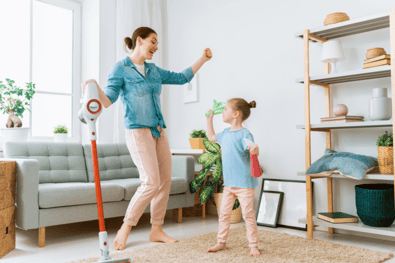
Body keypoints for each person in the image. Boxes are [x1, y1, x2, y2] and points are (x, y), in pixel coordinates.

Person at [81, 26, 212, 250]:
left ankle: (156, 229)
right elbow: (107, 100)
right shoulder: (120, 69)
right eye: (153, 41)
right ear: (139, 41)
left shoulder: (153, 70)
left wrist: (202, 59)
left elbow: (181, 78)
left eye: (157, 43)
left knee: (164, 181)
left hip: (159, 131)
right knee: (150, 181)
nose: (156, 47)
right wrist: (92, 86)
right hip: (137, 132)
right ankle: (126, 227)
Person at [205, 98, 261, 257]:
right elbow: (210, 138)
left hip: (244, 184)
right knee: (224, 214)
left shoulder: (244, 134)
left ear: (236, 114)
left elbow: (252, 148)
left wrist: (255, 149)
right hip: (229, 185)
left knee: (248, 215)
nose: (222, 112)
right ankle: (221, 242)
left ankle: (253, 245)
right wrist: (209, 120)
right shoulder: (225, 134)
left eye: (225, 109)